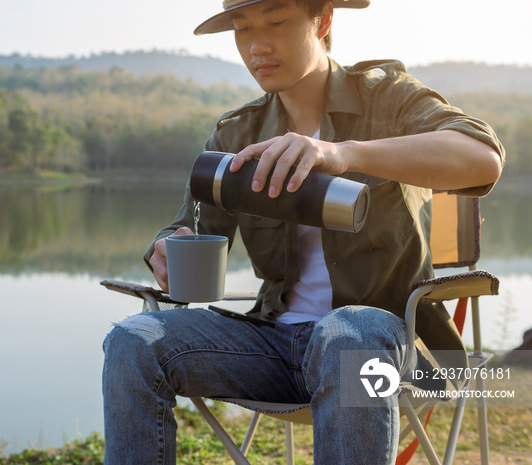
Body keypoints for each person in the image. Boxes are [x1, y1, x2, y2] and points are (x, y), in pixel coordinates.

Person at [102, 0, 505, 463]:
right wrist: (168, 245)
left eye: (275, 22)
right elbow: (191, 224)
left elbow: (482, 157)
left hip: (390, 346)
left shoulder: (386, 97)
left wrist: (343, 153)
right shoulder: (238, 135)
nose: (257, 46)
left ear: (324, 20)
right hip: (274, 345)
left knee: (350, 329)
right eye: (242, 29)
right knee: (133, 341)